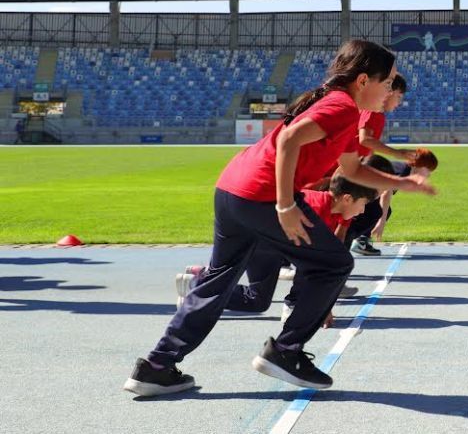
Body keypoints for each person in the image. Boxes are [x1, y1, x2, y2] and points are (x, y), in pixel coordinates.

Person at [124, 40, 436, 397]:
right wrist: (286, 206)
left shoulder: (342, 110)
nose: (391, 90)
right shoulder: (343, 107)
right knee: (334, 264)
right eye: (389, 81)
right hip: (261, 195)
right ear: (364, 80)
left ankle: (156, 367)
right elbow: (288, 141)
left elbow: (351, 170)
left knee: (216, 284)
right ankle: (285, 352)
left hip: (232, 188)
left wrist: (402, 183)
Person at [173, 169, 381, 315]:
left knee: (257, 301)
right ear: (346, 198)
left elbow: (332, 252)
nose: (363, 210)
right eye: (363, 204)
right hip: (260, 241)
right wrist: (313, 308)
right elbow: (308, 265)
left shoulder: (339, 211)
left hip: (269, 243)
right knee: (252, 292)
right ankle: (202, 285)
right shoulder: (314, 211)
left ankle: (195, 287)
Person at [345, 151, 438, 253]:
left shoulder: (406, 171)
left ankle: (360, 239)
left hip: (365, 189)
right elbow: (386, 193)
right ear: (419, 166)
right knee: (376, 212)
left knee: (380, 210)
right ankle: (348, 239)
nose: (429, 174)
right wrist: (381, 222)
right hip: (357, 188)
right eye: (428, 170)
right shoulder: (403, 171)